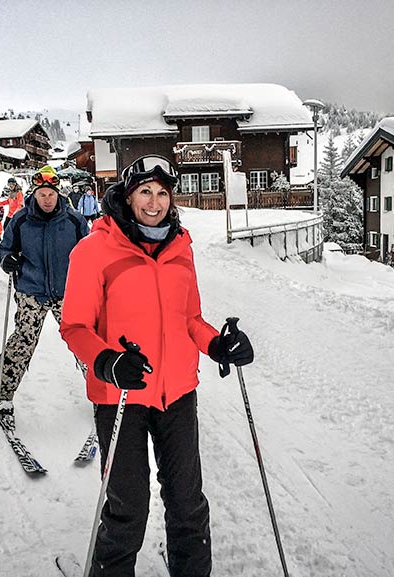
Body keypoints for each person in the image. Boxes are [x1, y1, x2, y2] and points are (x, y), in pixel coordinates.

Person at [59, 155, 254, 576]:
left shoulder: (181, 247)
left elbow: (191, 320)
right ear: (128, 197)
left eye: (163, 192)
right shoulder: (93, 250)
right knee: (127, 508)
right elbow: (74, 326)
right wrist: (108, 362)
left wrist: (218, 345)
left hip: (179, 393)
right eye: (145, 191)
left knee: (187, 503)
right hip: (121, 396)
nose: (155, 201)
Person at [0, 165, 89, 428]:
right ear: (34, 194)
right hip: (31, 291)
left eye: (51, 194)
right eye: (42, 194)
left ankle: (102, 393)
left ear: (58, 194)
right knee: (22, 341)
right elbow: (6, 248)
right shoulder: (20, 220)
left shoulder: (74, 221)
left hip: (67, 291)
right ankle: (1, 396)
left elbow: (90, 253)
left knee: (84, 342)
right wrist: (7, 260)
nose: (47, 199)